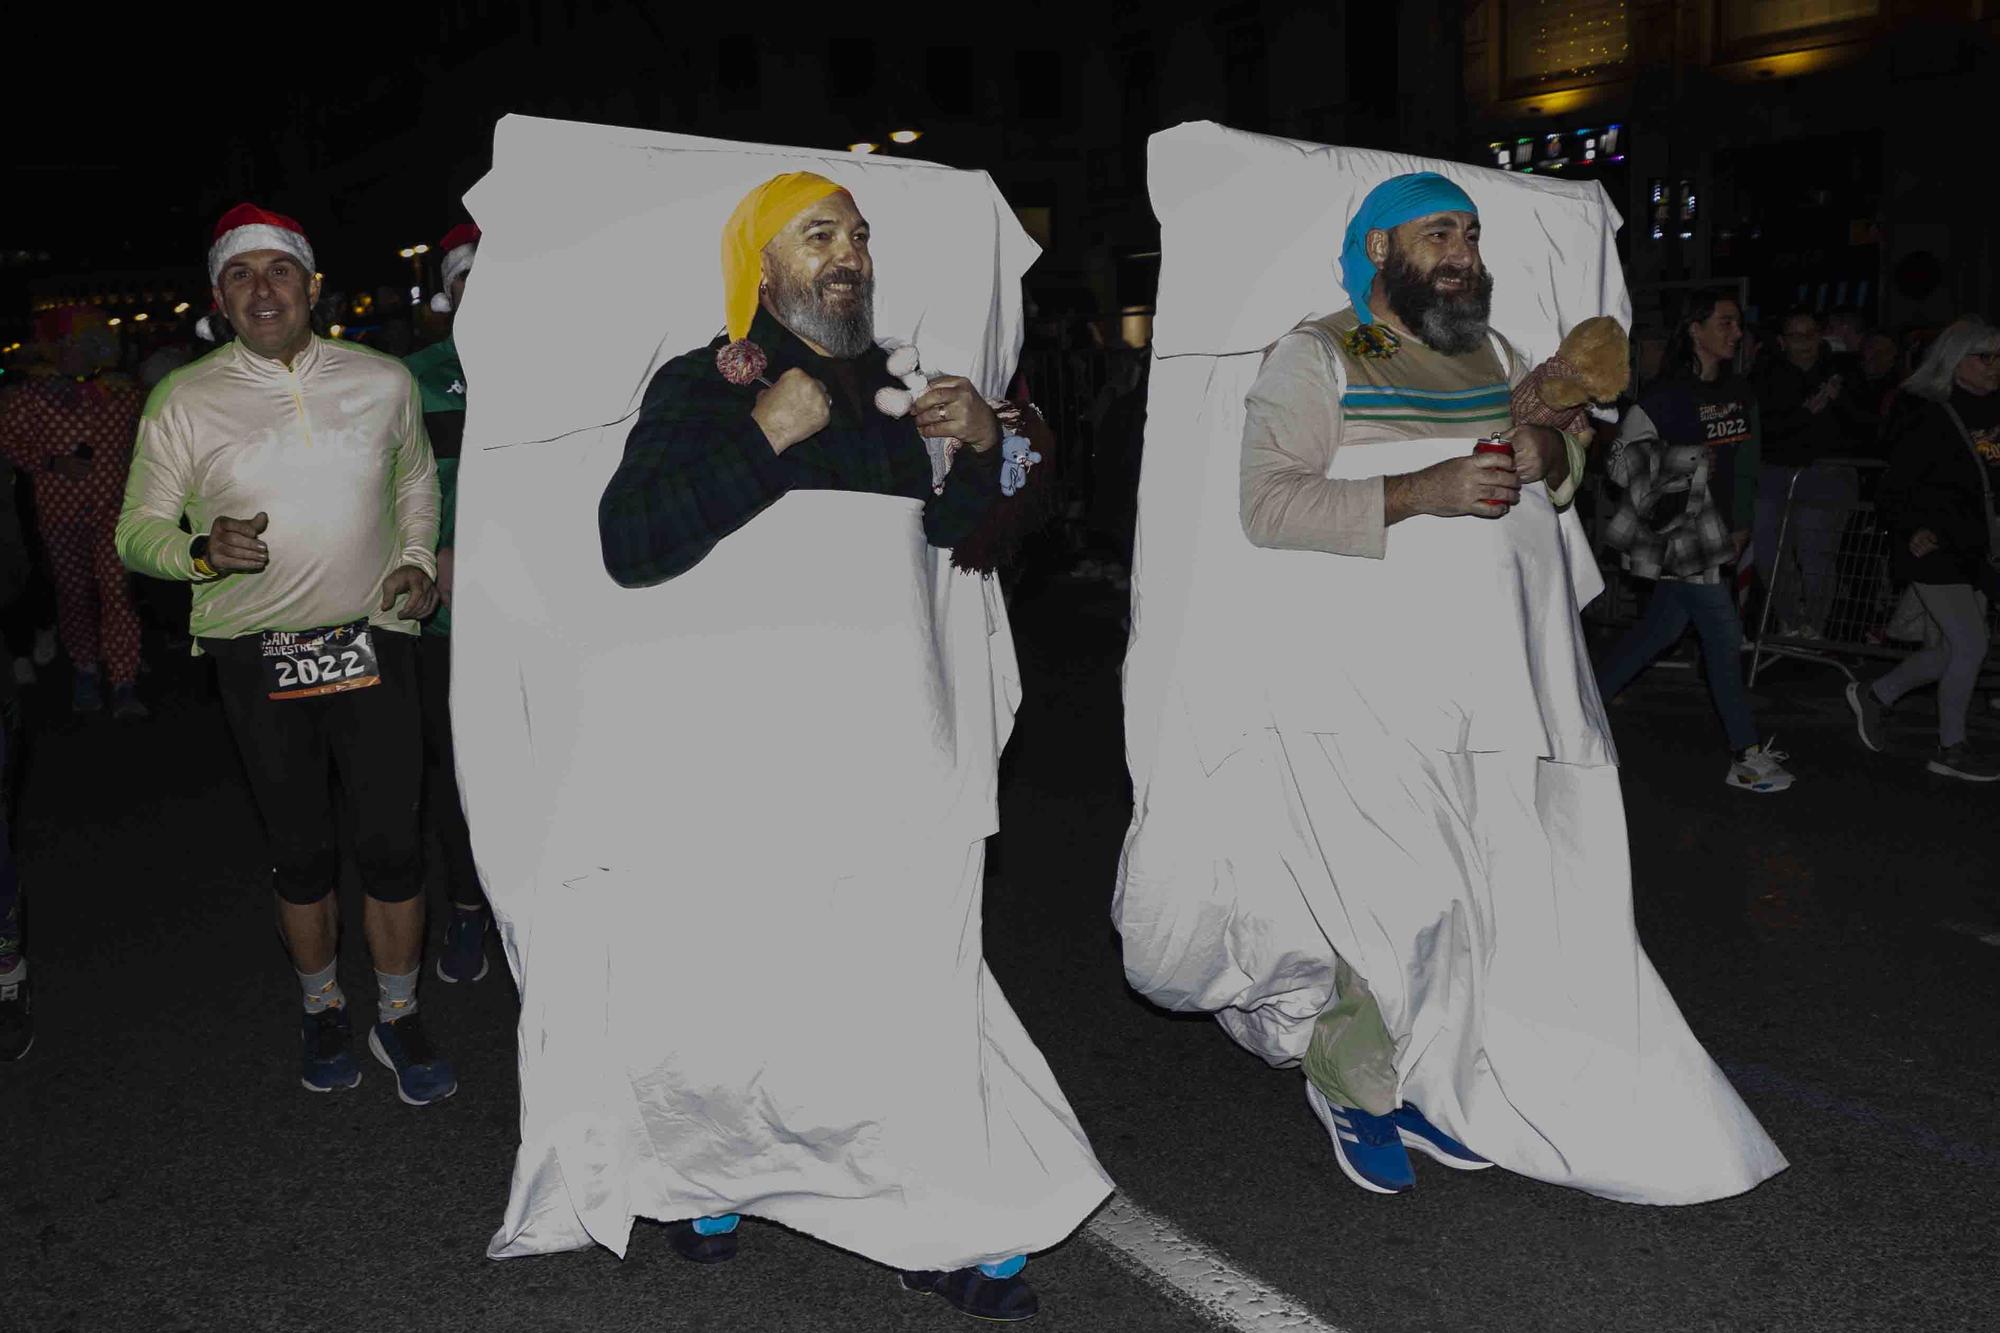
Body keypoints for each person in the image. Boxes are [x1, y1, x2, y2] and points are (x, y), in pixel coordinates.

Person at [1118, 169, 1786, 1207]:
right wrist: (1419, 491)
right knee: (1407, 896)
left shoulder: (1497, 353)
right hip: (1359, 686)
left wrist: (1547, 442)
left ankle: (1418, 1070)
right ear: (1380, 250)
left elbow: (1559, 475)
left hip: (1497, 683)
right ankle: (1355, 1085)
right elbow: (1263, 503)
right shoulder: (1318, 353)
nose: (1464, 253)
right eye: (1440, 234)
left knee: (1475, 896)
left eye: (1470, 235)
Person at [559, 171, 1108, 1322]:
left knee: (902, 976)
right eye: (819, 234)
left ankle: (940, 1207)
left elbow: (957, 549)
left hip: (891, 739)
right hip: (745, 751)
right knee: (739, 973)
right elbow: (631, 540)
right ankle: (717, 1169)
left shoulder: (908, 392)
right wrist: (763, 433)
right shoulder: (706, 384)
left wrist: (980, 454)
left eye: (857, 234)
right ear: (761, 264)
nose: (847, 251)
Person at [116, 203, 457, 1104]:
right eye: (241, 274)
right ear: (218, 298)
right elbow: (136, 531)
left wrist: (419, 560)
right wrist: (196, 550)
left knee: (392, 846)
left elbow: (416, 477)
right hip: (255, 652)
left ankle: (398, 1009)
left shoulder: (382, 380)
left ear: (311, 285)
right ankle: (320, 1005)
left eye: (279, 271)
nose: (262, 289)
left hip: (374, 639)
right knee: (301, 851)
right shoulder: (181, 399)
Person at [1598, 291, 1796, 792]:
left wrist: (1742, 521)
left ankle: (1583, 710)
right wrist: (1681, 462)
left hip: (1722, 532)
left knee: (1657, 634)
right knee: (1724, 636)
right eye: (1725, 322)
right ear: (1695, 329)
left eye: (1738, 324)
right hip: (1679, 536)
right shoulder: (1664, 398)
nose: (1736, 332)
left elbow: (1747, 464)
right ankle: (1745, 755)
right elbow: (1618, 464)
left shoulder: (1740, 393)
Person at [1847, 317, 2000, 781]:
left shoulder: (1994, 408)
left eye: (1999, 356)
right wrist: (1912, 527)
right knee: (1971, 644)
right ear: (1955, 360)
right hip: (1934, 548)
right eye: (1985, 356)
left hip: (1975, 547)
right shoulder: (1926, 412)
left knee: (1948, 651)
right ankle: (1951, 747)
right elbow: (1893, 486)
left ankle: (1876, 695)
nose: (1995, 366)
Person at [403, 223, 491, 983]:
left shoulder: (566, 369)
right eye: (466, 282)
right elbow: (377, 492)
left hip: (544, 616)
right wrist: (425, 556)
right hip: (449, 621)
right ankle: (466, 909)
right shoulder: (414, 379)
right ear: (447, 294)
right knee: (459, 774)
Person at [0, 307, 149, 719]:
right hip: (59, 516)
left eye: (79, 342)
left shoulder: (124, 394)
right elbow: (8, 440)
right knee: (75, 596)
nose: (71, 351)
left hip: (114, 515)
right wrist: (50, 463)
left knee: (117, 594)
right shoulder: (31, 397)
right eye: (63, 342)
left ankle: (124, 682)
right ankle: (85, 671)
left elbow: (152, 441)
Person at [1752, 309, 1862, 636]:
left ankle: (1814, 624)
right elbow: (1761, 427)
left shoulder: (1842, 371)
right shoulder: (1766, 375)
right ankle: (1789, 616)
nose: (1804, 343)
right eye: (1796, 336)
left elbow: (1866, 424)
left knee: (1815, 552)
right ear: (1783, 341)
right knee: (1768, 552)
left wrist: (1837, 401)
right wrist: (1803, 415)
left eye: (1810, 334)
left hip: (1826, 473)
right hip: (1774, 472)